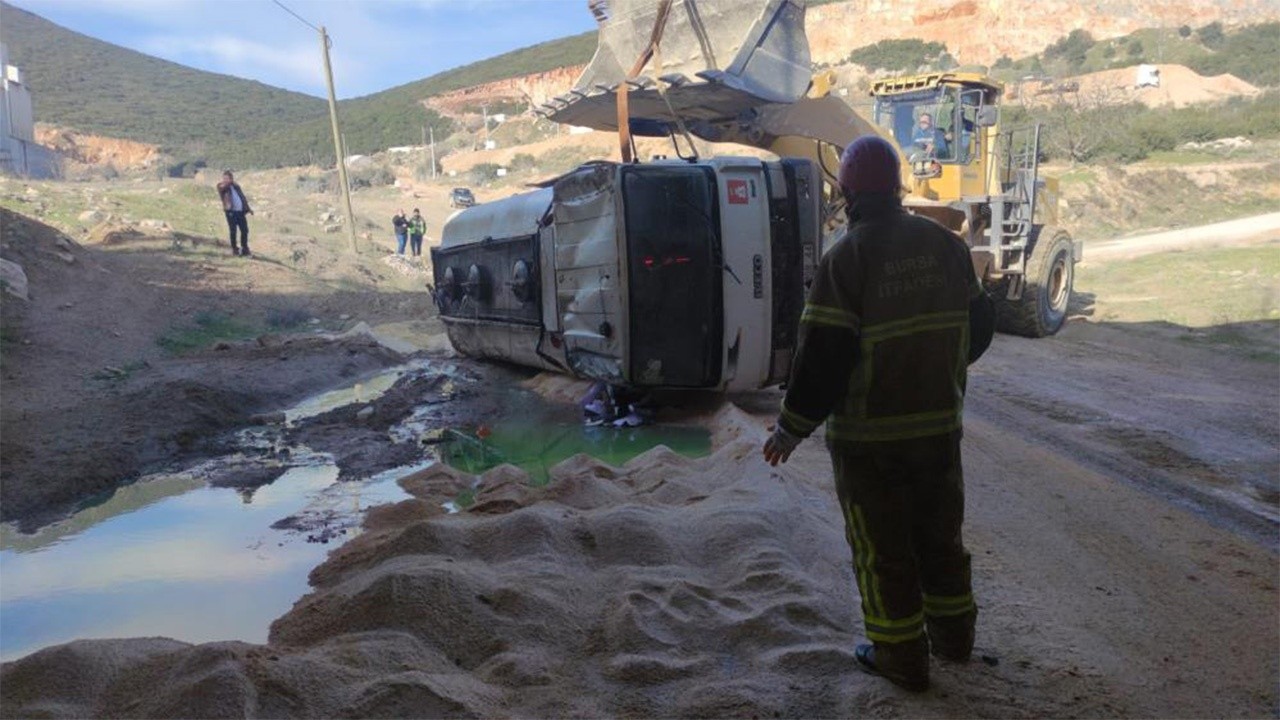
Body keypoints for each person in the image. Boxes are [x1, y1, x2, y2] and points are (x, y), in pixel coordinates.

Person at [762, 135, 995, 692]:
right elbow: (979, 327)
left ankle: (900, 656)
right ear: (897, 186)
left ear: (846, 193)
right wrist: (938, 371)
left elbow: (823, 357)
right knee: (940, 535)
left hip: (870, 443)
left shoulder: (847, 258)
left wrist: (789, 429)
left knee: (882, 548)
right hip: (939, 430)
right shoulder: (947, 246)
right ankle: (955, 638)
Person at [216, 170, 253, 257]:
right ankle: (234, 249)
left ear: (232, 178)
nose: (226, 180)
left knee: (245, 230)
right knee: (233, 230)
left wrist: (248, 208)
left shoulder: (236, 186)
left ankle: (244, 248)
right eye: (225, 178)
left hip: (240, 212)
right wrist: (228, 183)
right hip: (231, 212)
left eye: (228, 178)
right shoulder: (221, 186)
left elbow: (242, 197)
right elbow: (222, 188)